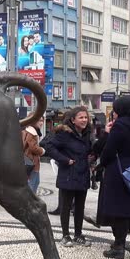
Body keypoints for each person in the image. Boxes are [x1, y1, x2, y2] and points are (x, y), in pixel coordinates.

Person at [99, 96, 130, 259]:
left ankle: (119, 247)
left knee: (119, 210)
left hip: (119, 172)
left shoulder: (120, 125)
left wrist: (103, 163)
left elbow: (109, 149)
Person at [44, 106, 92, 247]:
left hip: (82, 174)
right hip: (68, 174)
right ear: (73, 119)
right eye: (81, 117)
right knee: (65, 206)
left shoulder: (87, 133)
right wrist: (64, 159)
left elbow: (89, 150)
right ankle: (65, 235)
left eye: (85, 117)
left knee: (80, 207)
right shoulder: (64, 133)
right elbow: (48, 146)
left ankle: (78, 234)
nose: (84, 120)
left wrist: (92, 158)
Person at [23, 117, 45, 194]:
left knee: (35, 182)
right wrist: (42, 150)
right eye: (39, 120)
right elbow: (33, 148)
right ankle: (29, 203)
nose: (41, 123)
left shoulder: (30, 131)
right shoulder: (31, 132)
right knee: (33, 184)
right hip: (31, 162)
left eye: (42, 120)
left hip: (30, 162)